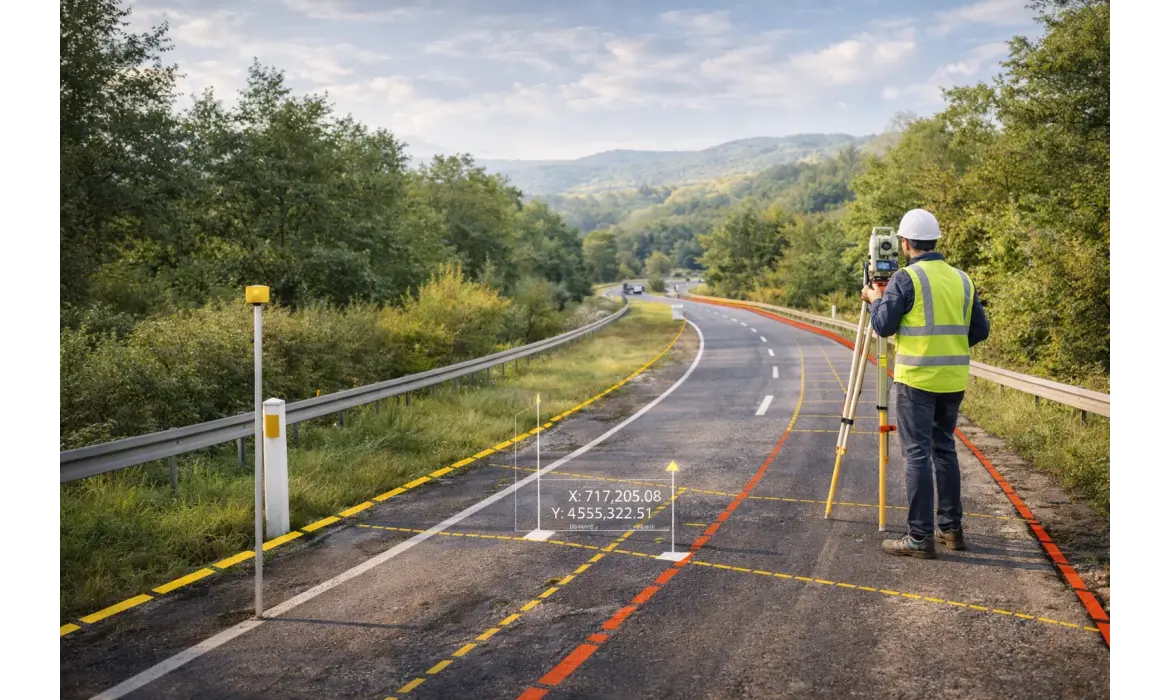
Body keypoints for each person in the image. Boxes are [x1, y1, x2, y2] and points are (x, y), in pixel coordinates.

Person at [860, 209, 990, 559]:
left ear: (905, 243)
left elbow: (883, 326)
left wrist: (875, 300)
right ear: (935, 241)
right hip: (953, 379)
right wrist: (949, 347)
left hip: (916, 379)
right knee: (944, 450)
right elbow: (980, 329)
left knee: (917, 454)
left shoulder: (906, 279)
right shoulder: (962, 278)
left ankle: (919, 536)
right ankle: (951, 529)